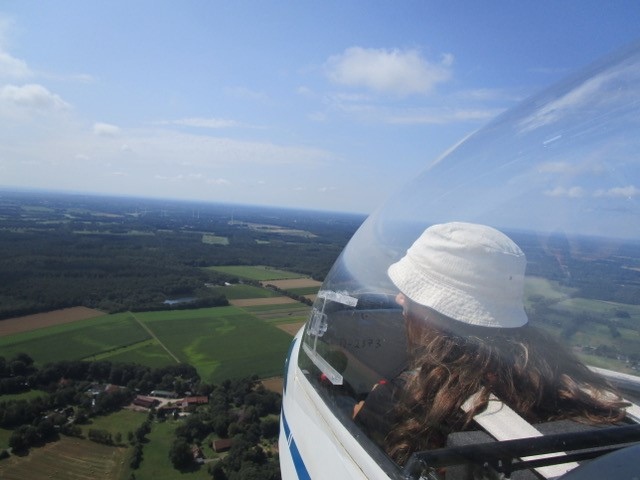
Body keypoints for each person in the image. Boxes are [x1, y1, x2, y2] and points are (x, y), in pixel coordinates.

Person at [353, 222, 628, 465]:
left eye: (410, 292)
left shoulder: (401, 399)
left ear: (433, 312)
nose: (400, 298)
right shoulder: (563, 381)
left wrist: (366, 409)